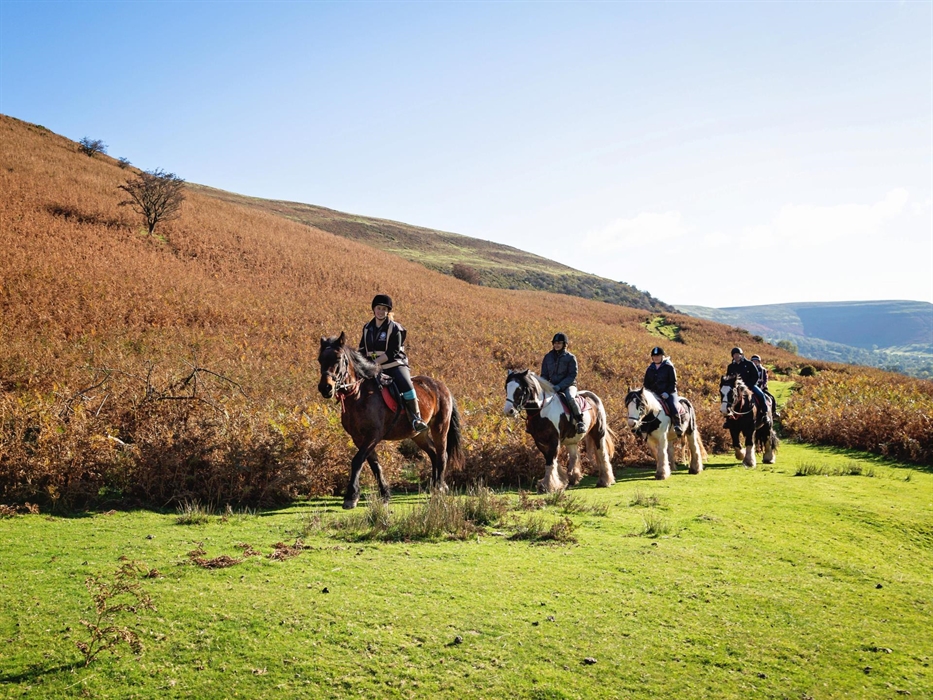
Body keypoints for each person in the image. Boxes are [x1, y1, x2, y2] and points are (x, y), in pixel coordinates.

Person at [359, 294, 428, 433]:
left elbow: (393, 352)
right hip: (373, 366)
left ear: (388, 311)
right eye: (378, 308)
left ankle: (416, 418)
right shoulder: (367, 328)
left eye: (384, 309)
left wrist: (374, 362)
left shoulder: (395, 328)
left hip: (394, 364)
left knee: (406, 384)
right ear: (374, 309)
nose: (381, 311)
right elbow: (362, 349)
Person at [540, 332, 585, 434]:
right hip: (552, 385)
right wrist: (545, 385)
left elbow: (572, 375)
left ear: (564, 344)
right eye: (555, 343)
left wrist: (559, 386)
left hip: (568, 385)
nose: (557, 345)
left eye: (559, 343)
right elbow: (544, 374)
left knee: (570, 398)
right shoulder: (548, 357)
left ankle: (580, 421)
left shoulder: (570, 357)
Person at [644, 346, 684, 436]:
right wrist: (649, 393)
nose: (656, 358)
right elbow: (646, 384)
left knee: (672, 405)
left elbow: (673, 382)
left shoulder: (669, 367)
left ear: (662, 356)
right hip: (654, 394)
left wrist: (667, 392)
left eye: (658, 356)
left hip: (669, 393)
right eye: (654, 356)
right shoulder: (650, 369)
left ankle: (677, 425)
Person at [727, 347, 769, 420]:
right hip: (735, 388)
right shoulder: (730, 366)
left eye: (738, 354)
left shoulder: (749, 364)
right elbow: (728, 377)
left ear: (741, 355)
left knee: (761, 394)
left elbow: (755, 376)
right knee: (727, 397)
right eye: (734, 355)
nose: (736, 356)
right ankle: (727, 416)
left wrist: (749, 385)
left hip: (750, 386)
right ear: (732, 356)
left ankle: (765, 414)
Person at [750, 355, 780, 419]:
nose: (755, 362)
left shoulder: (763, 370)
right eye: (753, 361)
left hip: (761, 387)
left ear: (759, 362)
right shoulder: (749, 370)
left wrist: (762, 386)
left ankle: (773, 412)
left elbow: (765, 380)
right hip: (751, 387)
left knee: (772, 397)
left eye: (756, 361)